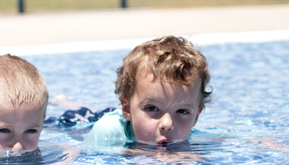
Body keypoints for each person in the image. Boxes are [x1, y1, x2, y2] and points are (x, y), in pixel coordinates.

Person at [51, 36, 211, 148]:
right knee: (79, 112)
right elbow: (88, 155)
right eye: (152, 108)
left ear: (196, 116)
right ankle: (62, 101)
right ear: (127, 109)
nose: (168, 124)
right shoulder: (106, 131)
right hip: (83, 122)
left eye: (182, 111)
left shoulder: (184, 132)